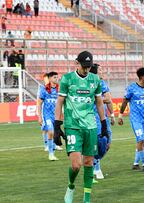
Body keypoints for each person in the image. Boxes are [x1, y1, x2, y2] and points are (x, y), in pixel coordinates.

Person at [54, 51, 108, 203]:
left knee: (89, 162)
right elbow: (59, 102)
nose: (86, 69)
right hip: (73, 126)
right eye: (84, 66)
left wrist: (103, 123)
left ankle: (87, 199)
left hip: (90, 126)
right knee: (76, 165)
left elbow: (98, 102)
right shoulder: (67, 79)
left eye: (89, 67)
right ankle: (71, 186)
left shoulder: (95, 79)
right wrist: (57, 125)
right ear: (76, 63)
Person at [118, 67, 144, 171]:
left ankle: (135, 163)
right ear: (142, 77)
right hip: (135, 118)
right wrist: (120, 115)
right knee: (141, 138)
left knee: (142, 141)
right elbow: (125, 101)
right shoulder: (132, 88)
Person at [89, 63, 115, 180]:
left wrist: (113, 114)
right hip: (93, 118)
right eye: (100, 70)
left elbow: (108, 99)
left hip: (104, 118)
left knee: (107, 143)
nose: (102, 72)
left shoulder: (102, 83)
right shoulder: (89, 84)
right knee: (99, 141)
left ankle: (94, 161)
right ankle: (97, 168)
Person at [37, 72, 60, 161]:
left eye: (57, 77)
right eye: (54, 77)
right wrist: (40, 116)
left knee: (55, 133)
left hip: (57, 115)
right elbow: (39, 103)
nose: (57, 79)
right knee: (50, 131)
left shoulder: (60, 89)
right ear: (50, 79)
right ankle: (51, 153)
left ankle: (52, 149)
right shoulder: (44, 89)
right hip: (47, 115)